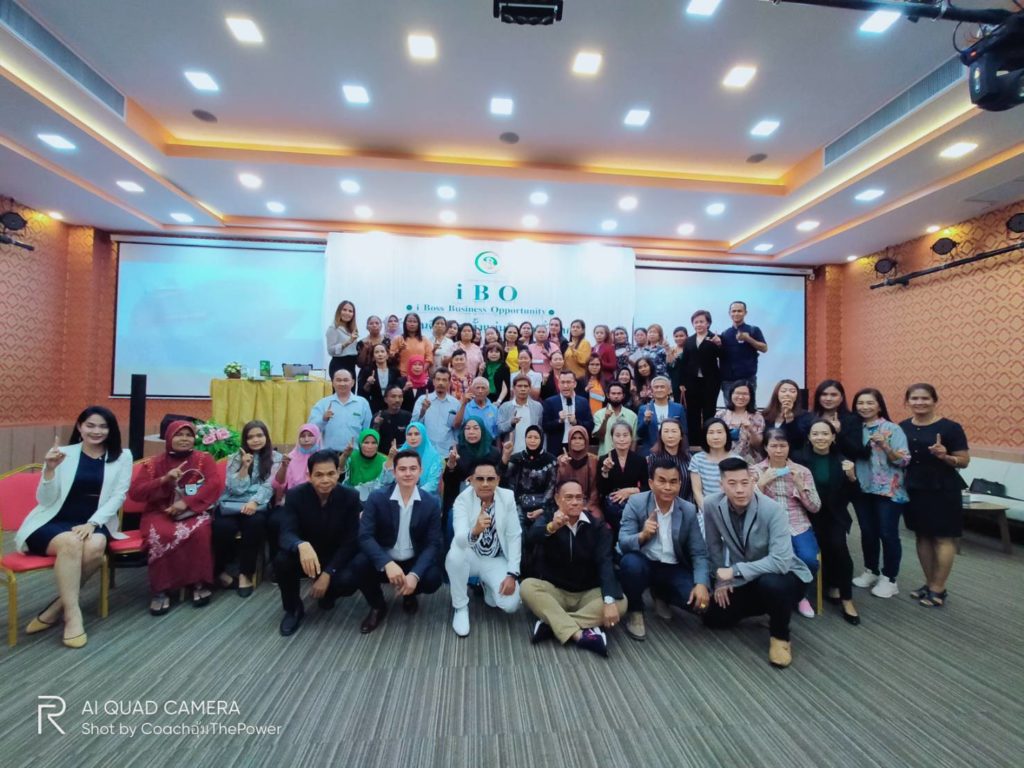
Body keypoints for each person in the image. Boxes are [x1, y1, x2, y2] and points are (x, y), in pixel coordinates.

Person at [17, 406, 132, 647]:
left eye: (103, 426)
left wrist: (92, 523)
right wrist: (49, 470)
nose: (96, 431)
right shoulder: (62, 454)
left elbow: (118, 496)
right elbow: (45, 500)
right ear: (80, 427)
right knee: (71, 542)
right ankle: (72, 615)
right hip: (53, 520)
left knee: (96, 545)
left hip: (94, 520)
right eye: (90, 425)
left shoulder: (123, 457)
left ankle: (56, 607)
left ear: (111, 430)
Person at [703, 458, 811, 668]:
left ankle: (780, 637)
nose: (740, 489)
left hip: (785, 577)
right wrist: (720, 580)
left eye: (745, 482)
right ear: (721, 485)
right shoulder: (711, 504)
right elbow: (713, 545)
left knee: (771, 584)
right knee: (713, 618)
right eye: (732, 484)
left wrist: (733, 571)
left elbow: (780, 562)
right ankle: (766, 608)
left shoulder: (773, 510)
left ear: (753, 481)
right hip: (748, 578)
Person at [521, 480, 627, 656]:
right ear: (557, 499)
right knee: (527, 586)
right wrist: (553, 527)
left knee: (620, 602)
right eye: (569, 497)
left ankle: (552, 625)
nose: (575, 502)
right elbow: (531, 538)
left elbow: (605, 562)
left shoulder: (597, 526)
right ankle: (580, 634)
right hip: (556, 591)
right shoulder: (548, 519)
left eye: (579, 498)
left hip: (588, 593)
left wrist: (608, 601)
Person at [128, 421, 224, 617]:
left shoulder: (204, 459)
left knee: (200, 532)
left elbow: (213, 485)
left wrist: (186, 503)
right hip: (159, 512)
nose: (184, 439)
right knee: (160, 535)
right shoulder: (153, 464)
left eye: (189, 435)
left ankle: (198, 583)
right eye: (179, 435)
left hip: (192, 510)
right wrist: (164, 480)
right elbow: (136, 493)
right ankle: (161, 590)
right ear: (169, 438)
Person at [618, 456, 711, 640]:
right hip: (644, 562)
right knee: (630, 564)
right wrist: (643, 535)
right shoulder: (637, 502)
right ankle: (635, 610)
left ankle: (661, 594)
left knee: (699, 604)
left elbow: (699, 552)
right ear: (651, 483)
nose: (668, 487)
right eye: (662, 481)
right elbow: (623, 541)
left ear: (680, 484)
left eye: (673, 482)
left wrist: (702, 584)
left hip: (672, 566)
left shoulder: (688, 509)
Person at [352, 450, 444, 633]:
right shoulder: (377, 498)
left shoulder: (431, 502)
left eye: (413, 469)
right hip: (384, 560)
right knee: (358, 564)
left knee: (433, 578)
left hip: (412, 561)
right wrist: (386, 563)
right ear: (394, 472)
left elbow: (433, 543)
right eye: (402, 469)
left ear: (420, 471)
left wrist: (415, 574)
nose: (408, 473)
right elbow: (365, 535)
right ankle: (378, 605)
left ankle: (410, 594)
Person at [275, 449, 362, 636]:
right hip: (306, 555)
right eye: (319, 475)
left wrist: (328, 573)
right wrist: (300, 545)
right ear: (309, 476)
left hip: (335, 555)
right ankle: (293, 608)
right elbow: (286, 533)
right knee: (282, 560)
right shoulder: (295, 495)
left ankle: (329, 592)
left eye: (331, 473)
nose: (325, 480)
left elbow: (351, 541)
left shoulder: (350, 497)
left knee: (350, 578)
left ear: (338, 473)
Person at [899, 383, 969, 608]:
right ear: (907, 402)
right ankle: (929, 583)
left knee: (942, 538)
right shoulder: (902, 427)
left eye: (925, 398)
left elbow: (964, 461)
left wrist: (945, 456)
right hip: (915, 488)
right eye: (914, 399)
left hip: (943, 488)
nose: (919, 403)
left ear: (934, 401)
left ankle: (939, 588)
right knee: (922, 536)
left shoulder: (950, 428)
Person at [792, 419, 861, 624]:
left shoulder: (843, 461)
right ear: (809, 437)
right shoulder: (798, 459)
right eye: (815, 434)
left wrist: (852, 477)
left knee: (838, 547)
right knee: (814, 548)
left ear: (833, 437)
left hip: (833, 515)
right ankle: (823, 586)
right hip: (805, 514)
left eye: (825, 434)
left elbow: (854, 495)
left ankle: (847, 598)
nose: (820, 438)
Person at [446, 457, 522, 636]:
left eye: (490, 479)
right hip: (470, 556)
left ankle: (487, 584)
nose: (485, 484)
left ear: (498, 480)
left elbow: (514, 536)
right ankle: (460, 607)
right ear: (471, 480)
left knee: (510, 605)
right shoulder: (462, 500)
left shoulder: (507, 497)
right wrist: (475, 531)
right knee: (455, 556)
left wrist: (512, 574)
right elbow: (459, 539)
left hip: (495, 559)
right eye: (480, 479)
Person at [751, 429, 821, 619]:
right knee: (780, 560)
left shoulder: (802, 471)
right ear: (766, 447)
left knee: (808, 559)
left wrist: (800, 485)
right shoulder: (755, 471)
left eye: (783, 446)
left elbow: (815, 507)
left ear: (789, 447)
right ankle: (780, 596)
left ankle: (800, 595)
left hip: (798, 523)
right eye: (773, 446)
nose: (778, 450)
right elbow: (747, 505)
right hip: (768, 525)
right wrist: (761, 484)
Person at [850, 388, 909, 598]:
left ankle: (890, 578)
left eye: (870, 403)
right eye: (860, 403)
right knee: (868, 531)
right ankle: (871, 570)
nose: (864, 407)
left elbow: (904, 460)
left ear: (879, 405)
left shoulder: (892, 429)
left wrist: (885, 446)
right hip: (862, 488)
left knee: (887, 533)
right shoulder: (854, 428)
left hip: (889, 491)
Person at [213, 420, 280, 597]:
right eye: (250, 437)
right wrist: (244, 466)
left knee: (255, 525)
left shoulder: (276, 458)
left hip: (257, 504)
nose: (255, 440)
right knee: (222, 527)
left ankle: (245, 574)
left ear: (266, 437)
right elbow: (235, 489)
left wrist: (255, 502)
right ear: (245, 440)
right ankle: (219, 571)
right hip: (231, 502)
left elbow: (270, 485)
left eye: (259, 435)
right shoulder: (235, 457)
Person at [270, 422, 321, 568]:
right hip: (292, 503)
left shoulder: (322, 457)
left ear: (317, 437)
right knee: (274, 521)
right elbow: (278, 484)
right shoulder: (290, 457)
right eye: (302, 436)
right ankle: (277, 563)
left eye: (310, 435)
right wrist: (284, 467)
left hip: (318, 502)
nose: (306, 439)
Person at [501, 425, 558, 532]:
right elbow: (502, 476)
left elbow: (551, 487)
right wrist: (505, 456)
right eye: (529, 437)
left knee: (537, 529)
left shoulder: (551, 460)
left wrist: (542, 509)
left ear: (541, 439)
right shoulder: (517, 458)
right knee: (518, 529)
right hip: (518, 504)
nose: (532, 440)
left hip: (542, 505)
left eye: (536, 437)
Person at [596, 420, 649, 536]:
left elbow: (648, 487)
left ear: (631, 438)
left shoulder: (639, 460)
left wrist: (632, 491)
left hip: (633, 502)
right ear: (612, 438)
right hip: (612, 505)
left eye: (625, 435)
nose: (622, 439)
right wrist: (605, 471)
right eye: (618, 435)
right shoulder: (604, 459)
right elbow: (601, 490)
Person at [796, 379, 868, 462]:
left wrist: (839, 433)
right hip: (810, 464)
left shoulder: (852, 419)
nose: (828, 398)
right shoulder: (808, 418)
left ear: (841, 398)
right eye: (824, 394)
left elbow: (857, 451)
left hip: (841, 465)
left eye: (834, 395)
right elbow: (798, 445)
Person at [442, 417, 498, 517]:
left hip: (487, 498)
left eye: (475, 428)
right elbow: (448, 481)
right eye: (467, 428)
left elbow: (500, 477)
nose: (471, 432)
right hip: (460, 499)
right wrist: (451, 463)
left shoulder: (493, 452)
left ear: (482, 430)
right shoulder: (456, 450)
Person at [680, 310, 722, 442]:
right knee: (693, 411)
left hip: (711, 381)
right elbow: (684, 362)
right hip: (692, 382)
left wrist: (719, 345)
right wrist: (682, 382)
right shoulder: (689, 340)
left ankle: (708, 440)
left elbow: (724, 357)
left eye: (701, 322)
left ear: (708, 323)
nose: (698, 324)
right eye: (696, 322)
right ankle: (694, 441)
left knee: (709, 410)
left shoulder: (716, 338)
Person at [689, 418, 739, 524]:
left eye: (719, 432)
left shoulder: (737, 460)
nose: (715, 437)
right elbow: (697, 492)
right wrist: (709, 512)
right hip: (707, 512)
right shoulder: (697, 459)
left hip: (733, 512)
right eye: (711, 433)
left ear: (727, 435)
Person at [309, 369, 372, 452]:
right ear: (333, 383)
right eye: (338, 380)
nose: (342, 383)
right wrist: (323, 419)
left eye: (346, 380)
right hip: (329, 454)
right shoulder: (323, 403)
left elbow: (367, 430)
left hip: (354, 454)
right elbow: (311, 430)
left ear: (353, 382)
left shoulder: (362, 403)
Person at [719, 301, 768, 401]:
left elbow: (764, 348)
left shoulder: (753, 330)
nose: (736, 313)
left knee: (749, 408)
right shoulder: (725, 333)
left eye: (739, 311)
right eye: (734, 311)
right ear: (729, 313)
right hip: (728, 380)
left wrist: (748, 339)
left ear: (745, 313)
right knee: (730, 408)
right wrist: (716, 344)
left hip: (748, 379)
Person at [542, 370, 594, 453]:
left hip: (578, 446)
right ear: (558, 384)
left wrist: (576, 422)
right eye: (562, 382)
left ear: (575, 384)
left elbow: (590, 425)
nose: (565, 386)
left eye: (568, 382)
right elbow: (545, 426)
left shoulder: (583, 401)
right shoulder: (550, 402)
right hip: (557, 448)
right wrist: (559, 421)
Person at [412, 367, 460, 454]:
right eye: (438, 379)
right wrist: (423, 411)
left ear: (449, 383)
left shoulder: (455, 403)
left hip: (447, 452)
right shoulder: (423, 400)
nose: (440, 383)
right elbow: (413, 425)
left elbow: (457, 429)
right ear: (433, 381)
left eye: (444, 380)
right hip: (426, 450)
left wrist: (456, 448)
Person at [716, 381, 765, 464]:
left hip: (749, 462)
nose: (741, 397)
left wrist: (751, 430)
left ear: (751, 396)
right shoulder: (721, 415)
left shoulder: (757, 417)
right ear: (731, 394)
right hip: (724, 460)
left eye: (745, 394)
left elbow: (758, 445)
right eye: (737, 393)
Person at [556, 426, 600, 516]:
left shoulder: (593, 460)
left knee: (596, 519)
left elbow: (595, 489)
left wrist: (588, 506)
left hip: (588, 503)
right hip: (566, 502)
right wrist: (563, 467)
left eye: (580, 438)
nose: (577, 441)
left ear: (586, 441)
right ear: (569, 441)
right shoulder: (561, 459)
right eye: (574, 438)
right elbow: (558, 486)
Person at [636, 376, 685, 456]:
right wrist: (646, 421)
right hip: (650, 452)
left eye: (662, 387)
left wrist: (684, 452)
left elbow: (684, 432)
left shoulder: (678, 408)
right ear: (652, 391)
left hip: (674, 452)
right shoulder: (644, 409)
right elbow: (639, 434)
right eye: (656, 387)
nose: (659, 389)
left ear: (669, 390)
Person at [646, 418, 692, 501]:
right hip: (661, 503)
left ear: (681, 436)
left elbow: (692, 488)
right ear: (660, 436)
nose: (670, 436)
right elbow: (651, 487)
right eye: (666, 431)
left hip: (686, 504)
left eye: (674, 431)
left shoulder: (689, 458)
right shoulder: (654, 458)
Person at [497, 375, 544, 454]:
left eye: (526, 386)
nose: (523, 389)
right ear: (513, 388)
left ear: (530, 388)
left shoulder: (537, 407)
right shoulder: (505, 407)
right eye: (519, 386)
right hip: (512, 452)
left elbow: (541, 430)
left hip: (532, 453)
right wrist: (510, 423)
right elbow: (499, 428)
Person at [592, 382, 638, 456]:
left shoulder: (632, 415)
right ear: (608, 395)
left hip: (625, 457)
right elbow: (600, 437)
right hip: (605, 456)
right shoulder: (599, 414)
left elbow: (633, 440)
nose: (616, 396)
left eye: (619, 393)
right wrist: (605, 420)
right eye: (613, 393)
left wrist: (631, 457)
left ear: (623, 395)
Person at [357, 343, 404, 414]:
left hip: (392, 407)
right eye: (377, 352)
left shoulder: (394, 371)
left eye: (382, 351)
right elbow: (362, 392)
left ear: (387, 355)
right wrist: (368, 383)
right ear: (373, 356)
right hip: (374, 407)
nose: (380, 354)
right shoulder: (367, 370)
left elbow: (398, 389)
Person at [343, 428, 388, 501]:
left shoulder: (384, 460)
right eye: (366, 442)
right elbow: (339, 469)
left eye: (374, 443)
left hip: (375, 499)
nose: (370, 446)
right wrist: (345, 455)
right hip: (351, 497)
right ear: (360, 444)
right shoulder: (352, 456)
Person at [762, 379, 806, 450]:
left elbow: (799, 442)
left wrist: (789, 419)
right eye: (783, 391)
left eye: (792, 391)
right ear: (776, 394)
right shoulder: (765, 414)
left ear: (797, 395)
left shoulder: (805, 416)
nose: (787, 394)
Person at [390, 312, 434, 377]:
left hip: (421, 376)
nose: (412, 324)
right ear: (405, 323)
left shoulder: (425, 340)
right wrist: (399, 350)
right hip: (403, 375)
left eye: (415, 322)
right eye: (409, 321)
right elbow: (391, 357)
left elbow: (429, 358)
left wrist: (421, 371)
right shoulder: (398, 339)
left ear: (418, 324)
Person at [372, 384, 412, 453]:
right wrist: (376, 426)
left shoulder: (408, 416)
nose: (397, 400)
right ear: (385, 399)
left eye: (400, 396)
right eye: (393, 396)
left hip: (402, 455)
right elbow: (372, 440)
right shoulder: (378, 417)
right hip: (382, 456)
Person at [326, 300, 359, 378]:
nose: (347, 313)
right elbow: (330, 351)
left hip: (351, 365)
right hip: (339, 364)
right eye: (344, 310)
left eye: (350, 311)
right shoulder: (333, 328)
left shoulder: (352, 329)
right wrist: (348, 342)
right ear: (339, 312)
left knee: (352, 386)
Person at [666, 325, 689, 403]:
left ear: (687, 336)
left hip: (687, 382)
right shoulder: (672, 350)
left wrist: (678, 359)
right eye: (676, 336)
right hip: (675, 382)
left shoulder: (690, 349)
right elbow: (669, 367)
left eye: (681, 336)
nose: (679, 338)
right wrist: (668, 352)